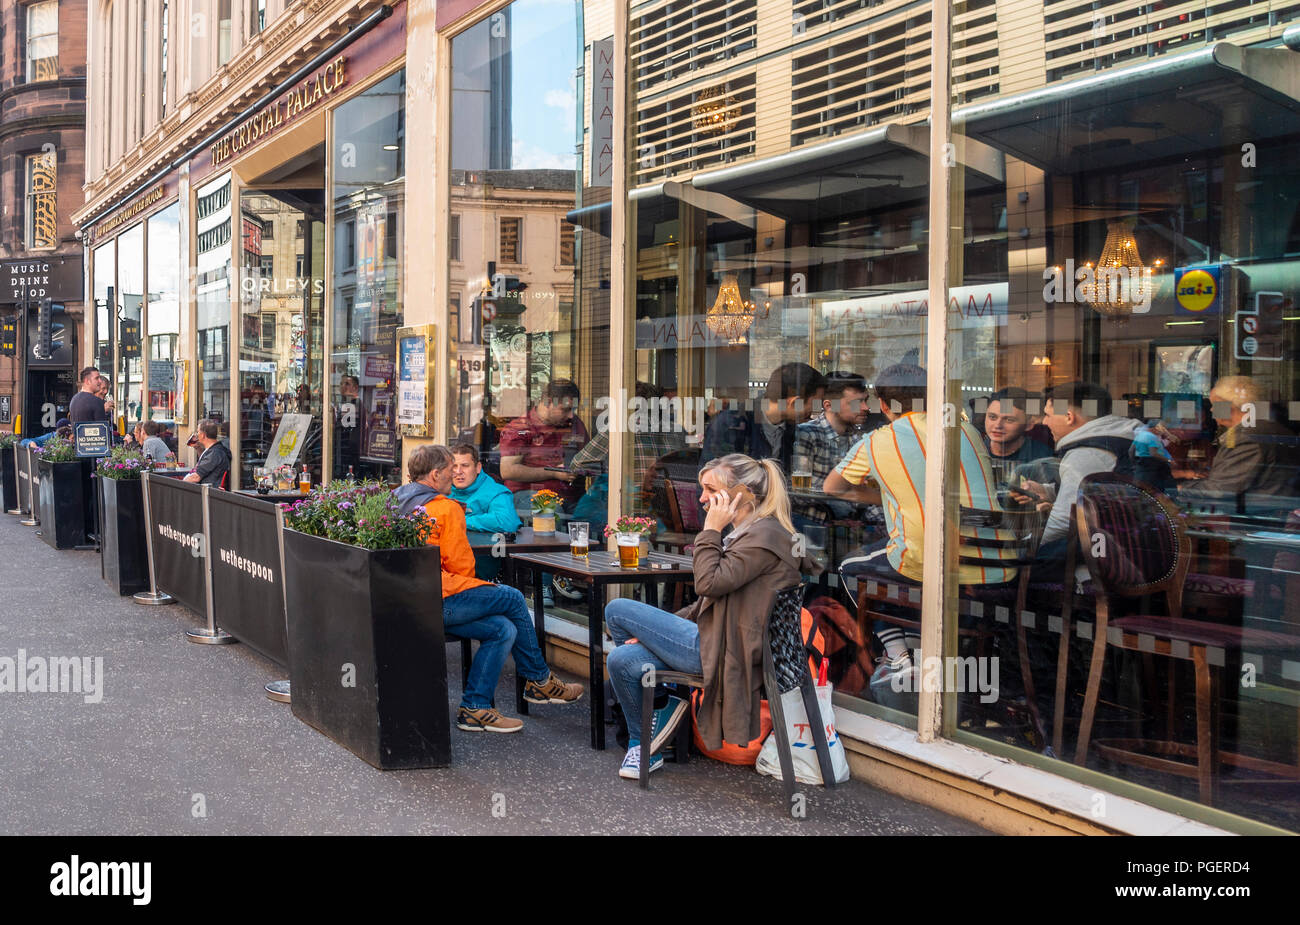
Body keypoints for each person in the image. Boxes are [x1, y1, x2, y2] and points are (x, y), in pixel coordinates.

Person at [603, 453, 807, 778]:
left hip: (726, 654)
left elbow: (707, 583)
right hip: (717, 641)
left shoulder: (764, 539)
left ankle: (664, 699)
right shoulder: (753, 533)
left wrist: (710, 530)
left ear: (741, 494)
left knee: (616, 608)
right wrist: (652, 637)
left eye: (710, 490)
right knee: (623, 658)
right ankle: (644, 744)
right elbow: (706, 605)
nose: (701, 499)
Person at [823, 363, 1017, 697]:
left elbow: (832, 488)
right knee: (893, 561)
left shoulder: (876, 441)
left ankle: (899, 657)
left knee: (852, 567)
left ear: (885, 406)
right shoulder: (966, 429)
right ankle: (919, 649)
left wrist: (879, 491)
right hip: (997, 567)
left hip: (939, 564)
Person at [392, 445, 582, 733]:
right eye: (449, 469)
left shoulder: (396, 499)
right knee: (513, 596)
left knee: (501, 629)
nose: (453, 474)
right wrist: (475, 586)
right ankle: (540, 682)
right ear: (434, 474)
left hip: (402, 600)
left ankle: (476, 708)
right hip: (436, 599)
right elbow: (461, 567)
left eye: (461, 467)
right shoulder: (445, 508)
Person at [1011, 382, 1141, 570]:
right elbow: (1094, 494)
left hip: (1103, 564)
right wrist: (1049, 491)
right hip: (1129, 550)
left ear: (1069, 417)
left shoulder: (1086, 453)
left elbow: (1063, 521)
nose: (1044, 422)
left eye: (1047, 415)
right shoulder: (1116, 439)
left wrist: (1020, 547)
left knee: (1013, 568)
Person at [1177, 375, 1300, 515]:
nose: (1211, 410)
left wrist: (1180, 489)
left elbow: (1221, 489)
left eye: (1214, 405)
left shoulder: (1247, 436)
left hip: (1255, 519)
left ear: (1228, 406)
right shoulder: (1271, 428)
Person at [701, 363, 827, 471]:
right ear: (795, 402)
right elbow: (712, 483)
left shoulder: (791, 428)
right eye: (815, 403)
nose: (814, 411)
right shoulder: (731, 423)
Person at [499, 378, 589, 513]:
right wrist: (554, 473)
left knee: (598, 516)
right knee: (550, 512)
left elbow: (588, 457)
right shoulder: (521, 427)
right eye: (566, 409)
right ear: (547, 402)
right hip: (527, 493)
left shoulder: (574, 424)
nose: (571, 415)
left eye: (574, 409)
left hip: (571, 495)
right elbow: (508, 470)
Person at [981, 386, 1054, 486]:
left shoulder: (1042, 457)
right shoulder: (974, 451)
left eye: (1009, 420)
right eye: (992, 417)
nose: (998, 425)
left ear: (1029, 425)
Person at [448, 443, 522, 534]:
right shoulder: (441, 490)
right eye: (454, 466)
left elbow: (506, 522)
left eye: (465, 465)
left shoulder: (497, 492)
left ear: (478, 467)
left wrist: (458, 520)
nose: (459, 471)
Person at [183, 419, 232, 488]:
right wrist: (198, 448)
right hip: (205, 490)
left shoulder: (215, 453)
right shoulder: (213, 450)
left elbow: (196, 477)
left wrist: (180, 484)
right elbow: (204, 463)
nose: (196, 434)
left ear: (203, 435)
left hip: (208, 493)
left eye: (198, 432)